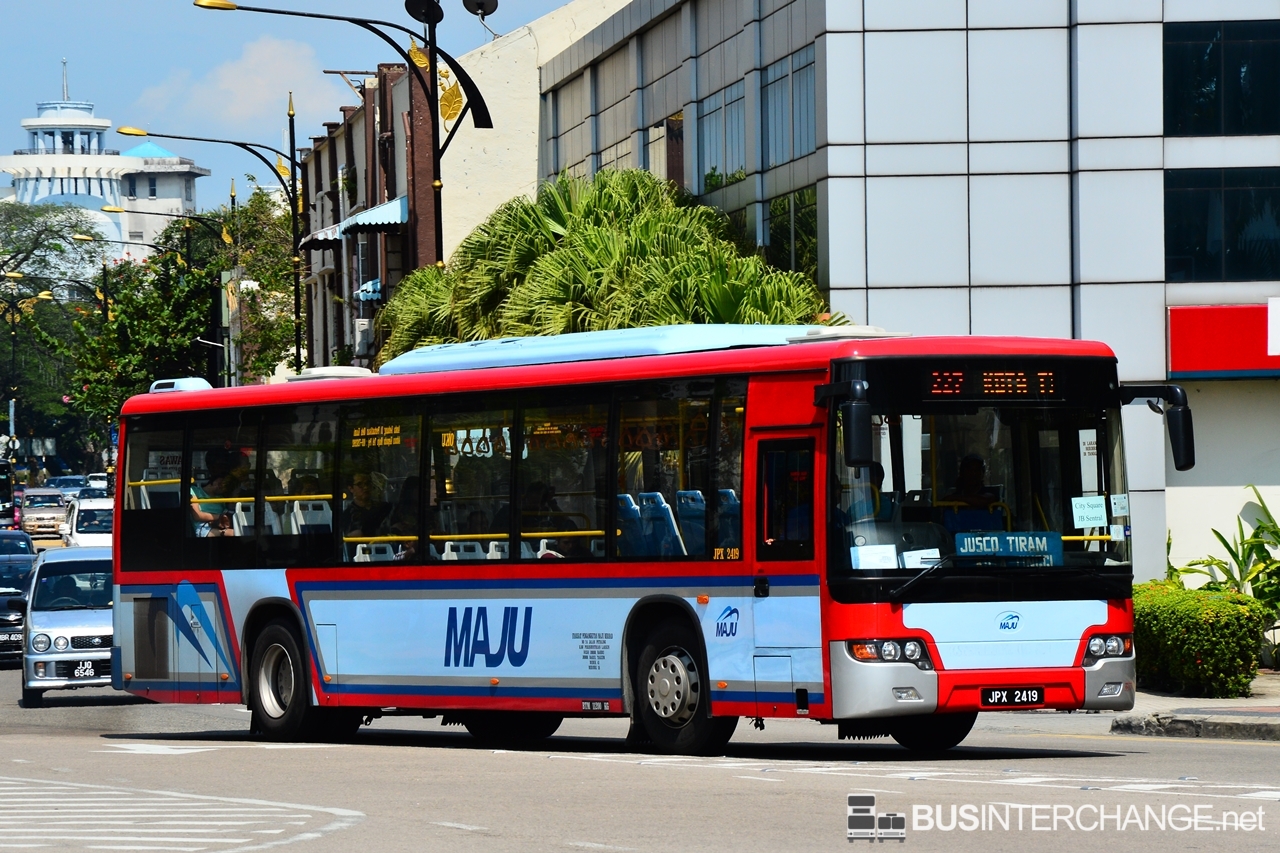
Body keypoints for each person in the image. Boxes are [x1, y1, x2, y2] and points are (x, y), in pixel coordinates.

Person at [344, 471, 392, 538]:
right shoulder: (348, 514)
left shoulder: (384, 508)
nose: (365, 487)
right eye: (360, 484)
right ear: (351, 489)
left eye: (367, 483)